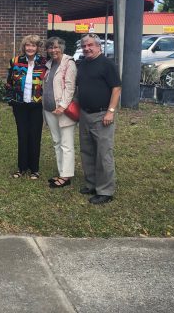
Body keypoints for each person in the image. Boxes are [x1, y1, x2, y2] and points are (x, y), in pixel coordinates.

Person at [75, 33, 122, 205]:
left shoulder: (107, 64)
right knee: (87, 150)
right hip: (85, 114)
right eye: (84, 46)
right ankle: (92, 184)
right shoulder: (83, 64)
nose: (87, 48)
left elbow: (116, 88)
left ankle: (106, 191)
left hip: (102, 115)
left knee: (103, 153)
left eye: (90, 45)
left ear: (98, 46)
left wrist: (110, 111)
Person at [5, 35, 47, 179]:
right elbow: (9, 82)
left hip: (37, 104)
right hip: (20, 104)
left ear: (37, 48)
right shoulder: (15, 61)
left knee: (35, 135)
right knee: (22, 135)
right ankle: (21, 168)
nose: (30, 48)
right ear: (24, 47)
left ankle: (34, 169)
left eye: (33, 46)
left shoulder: (44, 62)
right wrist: (10, 99)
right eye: (28, 45)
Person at [42, 37, 77, 188]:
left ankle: (66, 176)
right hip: (49, 110)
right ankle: (62, 171)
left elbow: (70, 87)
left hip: (63, 110)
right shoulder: (49, 64)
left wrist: (62, 106)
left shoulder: (69, 64)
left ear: (62, 48)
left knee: (66, 144)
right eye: (50, 48)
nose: (53, 50)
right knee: (57, 142)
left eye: (56, 47)